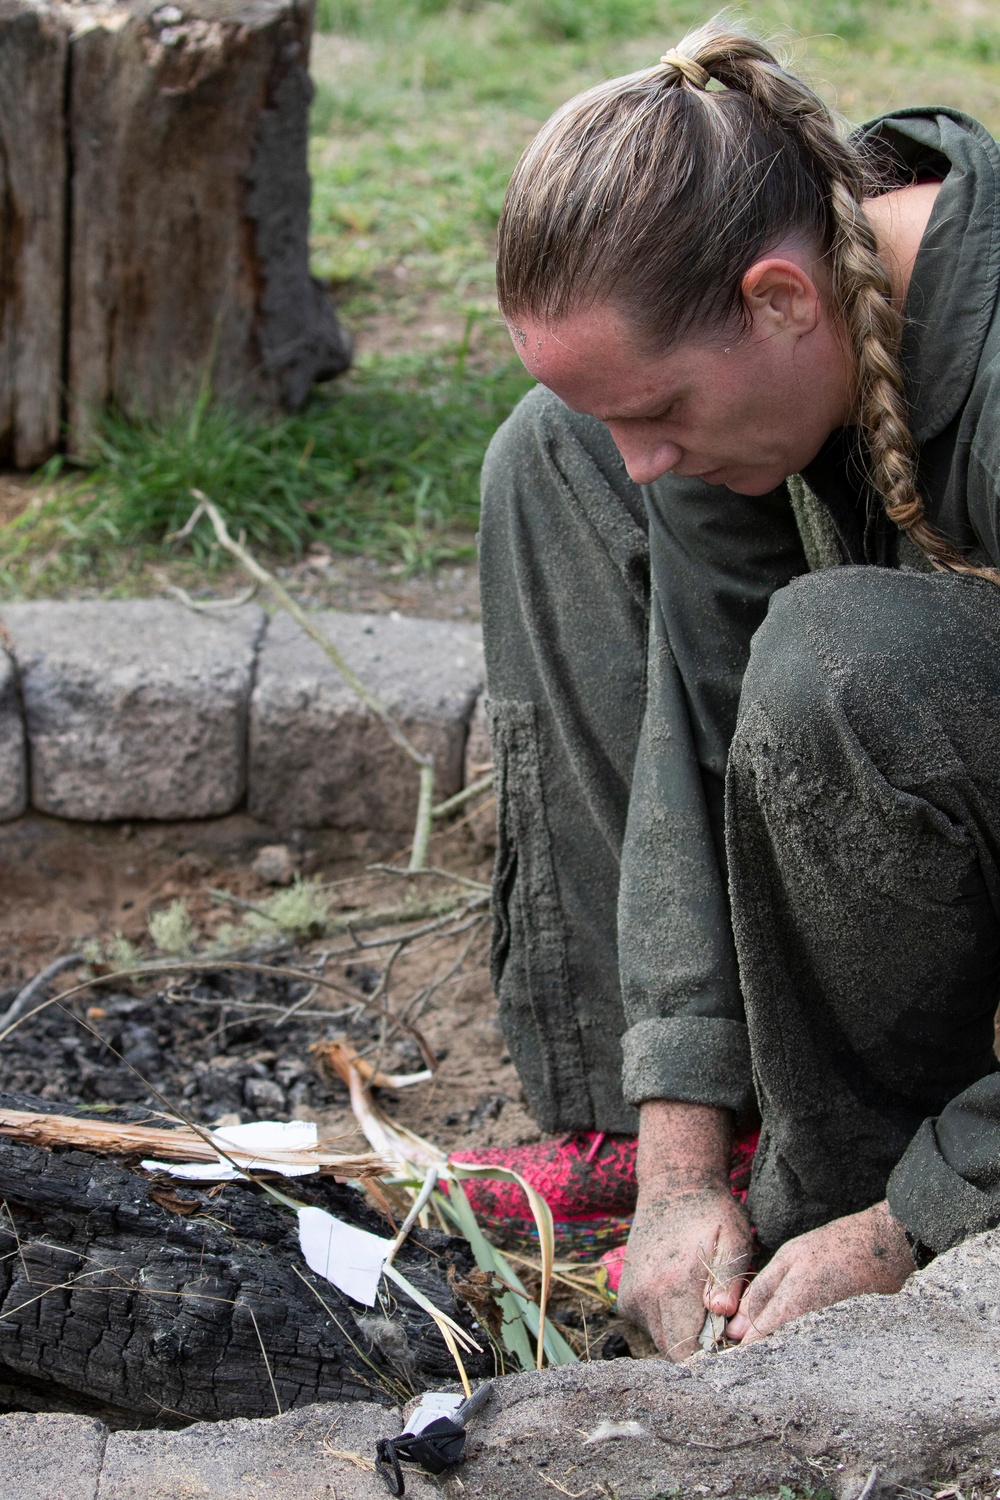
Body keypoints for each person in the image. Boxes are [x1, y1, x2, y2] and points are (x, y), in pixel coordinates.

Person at [456, 16, 1000, 1359]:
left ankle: (864, 1167)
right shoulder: (806, 313)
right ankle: (675, 1138)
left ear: (777, 299)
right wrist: (682, 1165)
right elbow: (693, 724)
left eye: (663, 410)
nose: (645, 466)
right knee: (552, 455)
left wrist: (909, 1222)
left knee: (844, 667)